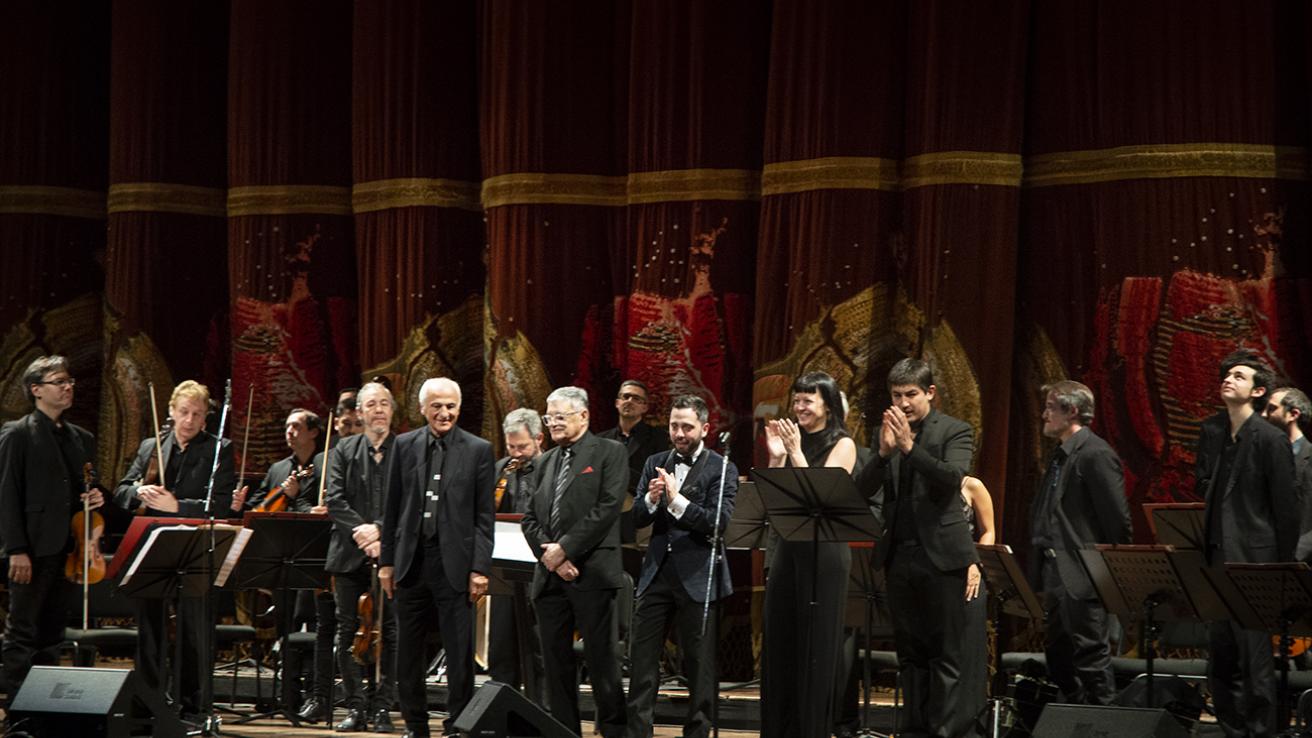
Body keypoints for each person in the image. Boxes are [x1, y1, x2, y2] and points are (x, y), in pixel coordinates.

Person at [856, 358, 981, 738]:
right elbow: (862, 491)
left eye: (911, 394)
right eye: (896, 395)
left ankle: (944, 732)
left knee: (945, 654)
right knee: (910, 655)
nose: (903, 403)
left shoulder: (955, 430)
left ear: (930, 393)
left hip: (942, 557)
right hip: (900, 556)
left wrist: (910, 448)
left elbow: (952, 478)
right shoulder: (886, 433)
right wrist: (882, 455)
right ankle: (913, 731)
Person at [380, 378, 495, 738]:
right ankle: (415, 726)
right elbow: (391, 508)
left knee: (459, 652)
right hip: (411, 562)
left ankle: (457, 726)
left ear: (459, 408)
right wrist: (386, 563)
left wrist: (479, 568)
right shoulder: (404, 445)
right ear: (422, 408)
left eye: (450, 406)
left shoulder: (478, 449)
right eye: (436, 406)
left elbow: (484, 517)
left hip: (455, 565)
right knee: (408, 652)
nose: (444, 413)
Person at [114, 380, 235, 717]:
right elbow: (121, 491)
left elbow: (220, 504)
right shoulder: (151, 447)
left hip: (194, 547)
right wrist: (138, 492)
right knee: (150, 628)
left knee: (193, 628)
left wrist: (178, 506)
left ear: (205, 417)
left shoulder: (219, 449)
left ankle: (192, 706)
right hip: (153, 544)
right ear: (171, 411)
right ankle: (148, 703)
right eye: (184, 412)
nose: (189, 420)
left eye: (197, 414)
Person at [625, 394, 738, 738]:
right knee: (642, 660)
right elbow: (637, 518)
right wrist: (651, 498)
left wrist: (676, 501)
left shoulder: (722, 467)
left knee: (699, 665)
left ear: (704, 428)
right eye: (674, 425)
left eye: (686, 427)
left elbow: (717, 522)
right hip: (656, 572)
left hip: (698, 575)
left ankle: (698, 732)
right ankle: (638, 732)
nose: (679, 433)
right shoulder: (655, 462)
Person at [1199, 349, 1298, 736]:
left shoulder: (1270, 439)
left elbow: (1286, 511)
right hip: (1219, 564)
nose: (1228, 378)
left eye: (1239, 376)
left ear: (1258, 392)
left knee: (1255, 664)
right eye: (1227, 374)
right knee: (1221, 662)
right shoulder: (1220, 436)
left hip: (1255, 566)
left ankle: (1260, 732)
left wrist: (1281, 571)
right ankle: (1231, 731)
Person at [521, 386, 628, 737]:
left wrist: (565, 549)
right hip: (550, 577)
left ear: (583, 415)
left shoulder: (610, 452)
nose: (552, 423)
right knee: (556, 665)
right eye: (548, 417)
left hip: (592, 573)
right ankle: (564, 732)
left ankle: (613, 731)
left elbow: (607, 508)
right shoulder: (545, 461)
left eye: (560, 416)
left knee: (602, 663)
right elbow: (529, 519)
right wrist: (552, 559)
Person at [0, 356, 104, 707]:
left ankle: (46, 709)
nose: (68, 387)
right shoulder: (17, 434)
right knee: (22, 632)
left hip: (68, 549)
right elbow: (7, 495)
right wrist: (16, 549)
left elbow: (84, 488)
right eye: (59, 382)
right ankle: (19, 712)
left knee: (52, 633)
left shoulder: (81, 438)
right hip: (32, 547)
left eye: (69, 381)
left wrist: (95, 496)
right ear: (36, 390)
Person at [760, 371, 857, 738]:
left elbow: (820, 499)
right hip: (789, 547)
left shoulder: (843, 444)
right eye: (796, 400)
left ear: (827, 406)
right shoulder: (790, 442)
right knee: (780, 640)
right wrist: (777, 458)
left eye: (807, 400)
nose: (799, 407)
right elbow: (773, 500)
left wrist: (796, 453)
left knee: (815, 647)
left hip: (825, 553)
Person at [1029, 380, 1132, 706]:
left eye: (1050, 408)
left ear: (1072, 411)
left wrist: (1108, 571)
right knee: (1058, 656)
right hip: (1056, 570)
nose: (1044, 414)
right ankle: (1075, 715)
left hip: (1082, 572)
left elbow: (1117, 521)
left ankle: (1103, 721)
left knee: (1090, 654)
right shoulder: (1061, 455)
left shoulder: (1095, 454)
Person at [322, 381, 400, 731]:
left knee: (391, 631)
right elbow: (335, 499)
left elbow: (409, 500)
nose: (378, 410)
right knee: (347, 631)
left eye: (384, 403)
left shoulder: (406, 449)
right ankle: (355, 707)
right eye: (371, 404)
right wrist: (363, 533)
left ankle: (383, 707)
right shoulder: (343, 449)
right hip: (349, 553)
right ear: (361, 412)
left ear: (392, 410)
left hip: (391, 554)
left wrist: (380, 530)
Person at [487, 408, 546, 692]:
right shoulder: (501, 469)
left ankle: (543, 706)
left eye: (522, 446)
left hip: (540, 563)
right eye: (511, 447)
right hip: (505, 566)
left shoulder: (551, 467)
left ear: (539, 439)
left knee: (539, 641)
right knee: (501, 641)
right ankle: (502, 701)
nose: (516, 453)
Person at [598, 380, 670, 542]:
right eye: (625, 397)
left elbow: (658, 477)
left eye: (636, 399)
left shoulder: (658, 438)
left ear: (645, 407)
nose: (629, 401)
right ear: (617, 403)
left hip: (639, 515)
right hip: (604, 515)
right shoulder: (600, 440)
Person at [1262, 386, 1312, 562]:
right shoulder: (1264, 456)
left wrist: (1295, 554)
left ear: (1293, 414)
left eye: (1272, 408)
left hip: (1297, 564)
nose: (1263, 415)